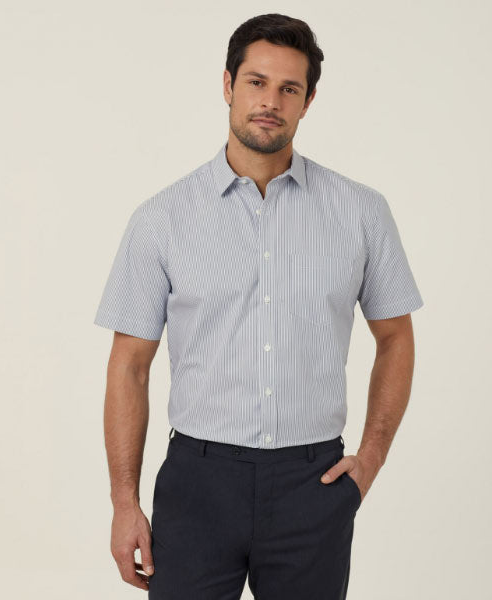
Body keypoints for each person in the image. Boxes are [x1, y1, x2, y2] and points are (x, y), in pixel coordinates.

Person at [94, 13, 424, 600]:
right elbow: (130, 365)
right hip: (197, 484)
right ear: (228, 85)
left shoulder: (361, 213)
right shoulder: (161, 219)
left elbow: (396, 336)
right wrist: (125, 502)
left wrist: (370, 460)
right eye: (256, 82)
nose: (270, 101)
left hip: (313, 485)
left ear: (308, 101)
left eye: (289, 88)